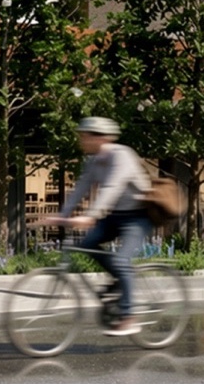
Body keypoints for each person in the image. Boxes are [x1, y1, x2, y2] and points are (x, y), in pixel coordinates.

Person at [52, 116, 152, 338]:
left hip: (138, 217)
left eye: (84, 136)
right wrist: (62, 215)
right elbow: (81, 188)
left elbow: (112, 187)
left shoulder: (122, 155)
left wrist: (90, 216)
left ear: (100, 138)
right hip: (114, 215)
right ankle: (119, 281)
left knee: (121, 260)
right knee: (87, 243)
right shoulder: (93, 161)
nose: (81, 140)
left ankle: (129, 316)